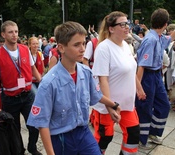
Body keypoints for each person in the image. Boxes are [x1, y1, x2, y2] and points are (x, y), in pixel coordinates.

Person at [27, 21, 121, 155]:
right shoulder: (49, 83)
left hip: (83, 133)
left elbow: (96, 95)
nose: (83, 48)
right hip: (61, 137)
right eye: (77, 45)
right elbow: (42, 123)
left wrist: (112, 105)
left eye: (83, 43)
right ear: (61, 48)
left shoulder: (86, 72)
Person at [92, 11, 146, 155]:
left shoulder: (126, 46)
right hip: (108, 105)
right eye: (122, 24)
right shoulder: (104, 48)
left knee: (133, 135)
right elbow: (103, 79)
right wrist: (110, 106)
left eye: (127, 23)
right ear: (111, 28)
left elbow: (130, 70)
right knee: (105, 138)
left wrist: (139, 88)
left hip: (127, 104)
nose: (127, 26)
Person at [0, 20, 42, 155]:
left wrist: (42, 83)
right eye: (10, 32)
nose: (14, 35)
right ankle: (19, 151)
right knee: (14, 130)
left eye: (16, 31)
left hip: (28, 95)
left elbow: (33, 69)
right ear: (3, 34)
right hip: (10, 99)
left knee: (34, 125)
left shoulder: (25, 49)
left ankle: (32, 146)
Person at [135, 8, 175, 149]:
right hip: (147, 76)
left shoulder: (158, 37)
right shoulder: (150, 40)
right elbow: (141, 66)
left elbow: (170, 38)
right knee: (145, 106)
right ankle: (141, 138)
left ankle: (152, 132)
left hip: (157, 75)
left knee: (164, 104)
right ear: (165, 24)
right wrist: (138, 87)